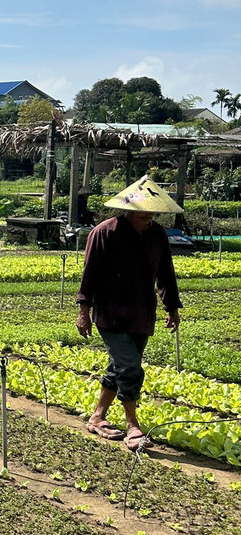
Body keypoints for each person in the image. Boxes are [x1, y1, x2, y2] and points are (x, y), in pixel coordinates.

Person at [76, 175, 182, 451]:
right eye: (143, 213)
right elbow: (90, 275)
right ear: (129, 210)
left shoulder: (157, 235)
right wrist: (83, 310)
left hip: (142, 313)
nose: (148, 217)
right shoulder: (104, 232)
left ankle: (97, 417)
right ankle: (132, 425)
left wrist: (172, 307)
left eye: (152, 213)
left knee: (118, 368)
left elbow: (166, 274)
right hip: (110, 314)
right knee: (130, 366)